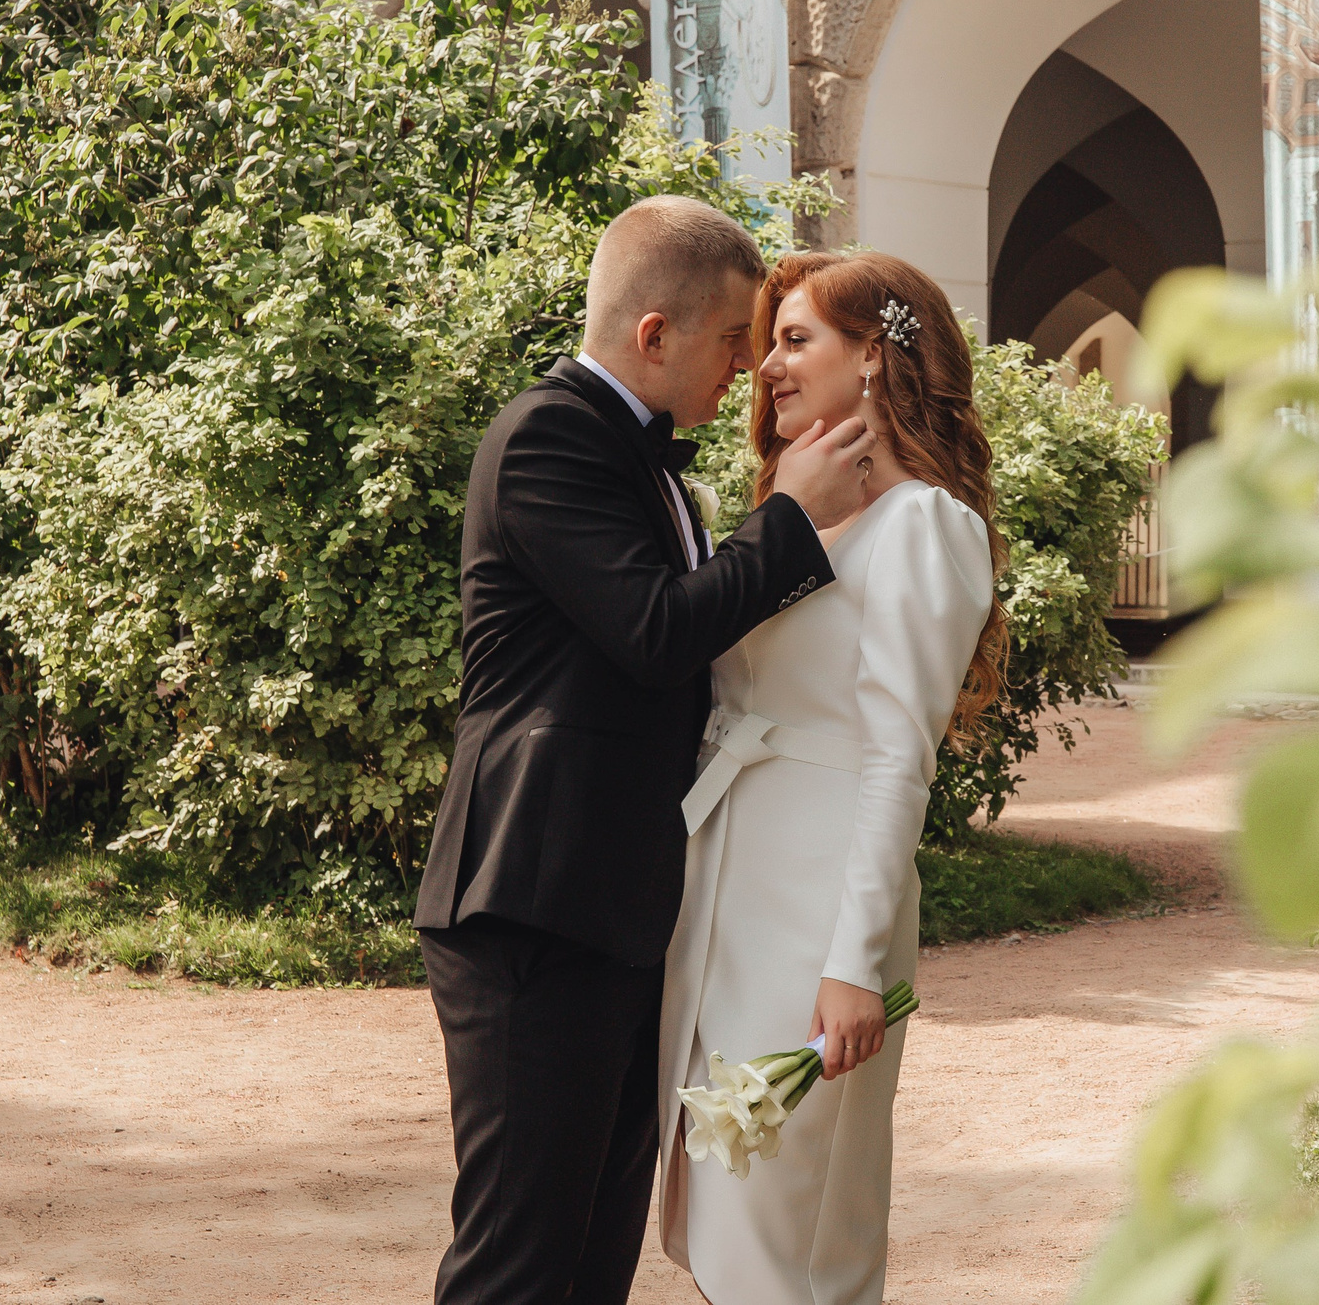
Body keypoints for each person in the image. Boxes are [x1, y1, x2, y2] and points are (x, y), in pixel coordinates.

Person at [413, 196, 878, 1305]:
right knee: (519, 1262)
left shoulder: (646, 459)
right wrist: (790, 518)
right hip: (532, 902)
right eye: (732, 339)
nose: (749, 366)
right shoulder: (548, 436)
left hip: (615, 910)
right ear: (654, 333)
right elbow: (657, 632)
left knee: (592, 1260)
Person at [658, 251, 1005, 1305]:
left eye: (794, 338)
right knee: (716, 1211)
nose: (765, 365)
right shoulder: (796, 514)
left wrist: (853, 962)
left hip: (816, 915)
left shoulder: (924, 525)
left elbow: (900, 756)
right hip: (723, 891)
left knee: (790, 1227)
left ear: (872, 356)